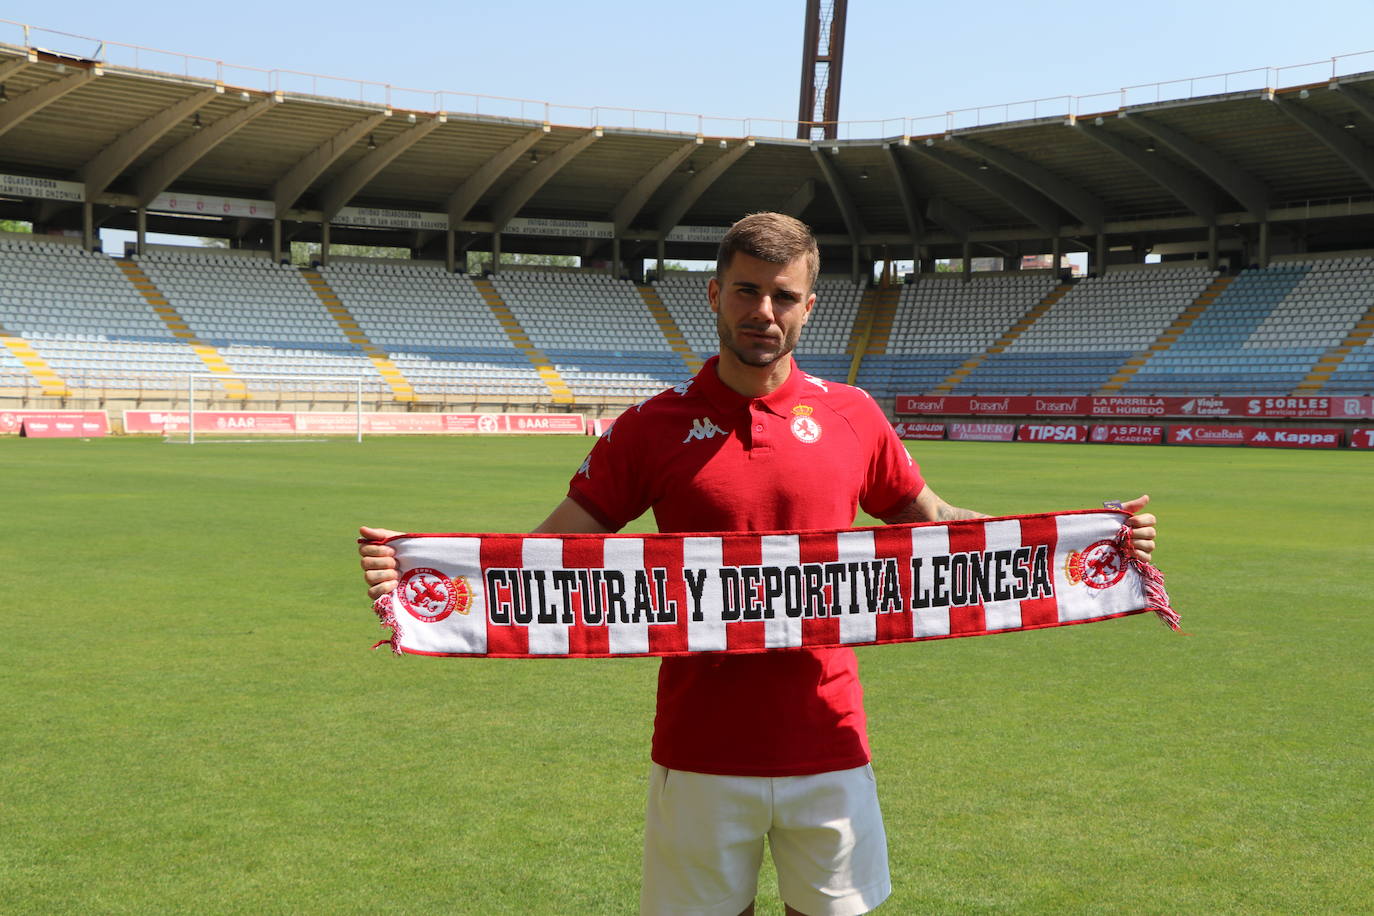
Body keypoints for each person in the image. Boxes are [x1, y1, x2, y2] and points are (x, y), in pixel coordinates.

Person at [359, 212, 1158, 916]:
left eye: (783, 296)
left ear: (810, 306)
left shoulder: (853, 415)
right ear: (714, 296)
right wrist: (429, 582)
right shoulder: (650, 428)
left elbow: (938, 524)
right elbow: (552, 556)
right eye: (746, 291)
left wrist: (1086, 544)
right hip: (701, 747)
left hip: (830, 739)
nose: (763, 312)